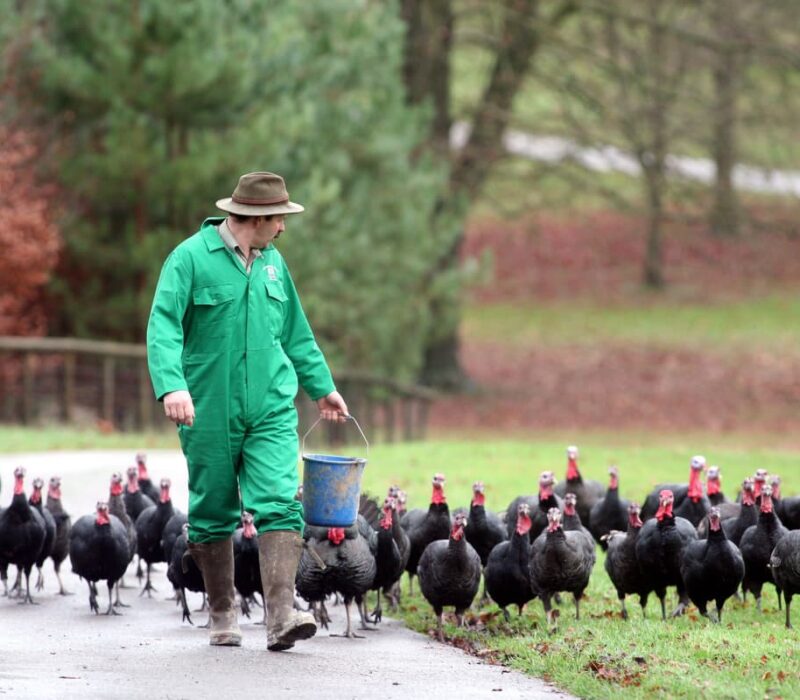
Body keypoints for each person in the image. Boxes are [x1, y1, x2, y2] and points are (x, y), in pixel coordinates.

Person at [146, 171, 348, 651]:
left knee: (280, 498)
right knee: (214, 508)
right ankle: (222, 612)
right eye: (279, 218)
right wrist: (172, 385)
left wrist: (323, 388)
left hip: (271, 405)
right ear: (256, 218)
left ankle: (280, 615)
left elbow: (297, 333)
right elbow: (164, 325)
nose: (283, 228)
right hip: (207, 408)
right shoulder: (189, 259)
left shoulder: (274, 266)